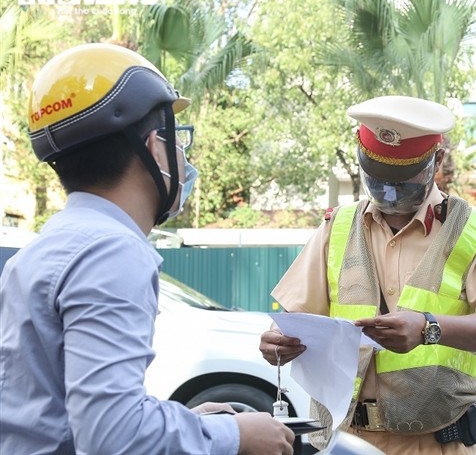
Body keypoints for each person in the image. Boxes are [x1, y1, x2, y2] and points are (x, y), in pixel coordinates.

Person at [0, 43, 294, 455]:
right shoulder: (112, 252)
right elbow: (111, 436)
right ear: (155, 147)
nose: (182, 158)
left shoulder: (43, 248)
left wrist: (186, 422)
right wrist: (236, 435)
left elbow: (62, 414)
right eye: (178, 142)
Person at [259, 95, 476, 454]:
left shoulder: (474, 228)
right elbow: (294, 320)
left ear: (437, 160)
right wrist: (277, 341)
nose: (389, 193)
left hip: (438, 443)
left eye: (404, 182)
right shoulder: (337, 228)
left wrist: (427, 328)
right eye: (376, 181)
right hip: (346, 440)